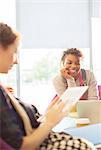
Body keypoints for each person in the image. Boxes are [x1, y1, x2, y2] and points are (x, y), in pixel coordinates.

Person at [0, 23, 95, 150]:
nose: (16, 60)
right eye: (14, 51)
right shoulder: (58, 79)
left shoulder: (88, 74)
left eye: (77, 63)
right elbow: (21, 145)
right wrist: (50, 121)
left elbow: (93, 101)